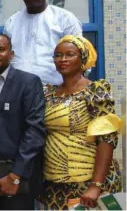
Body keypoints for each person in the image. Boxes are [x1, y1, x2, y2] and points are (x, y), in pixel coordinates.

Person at [38, 35, 122, 209]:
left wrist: (95, 185)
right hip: (55, 184)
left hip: (88, 183)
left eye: (70, 54)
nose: (63, 59)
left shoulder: (96, 91)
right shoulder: (47, 92)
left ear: (83, 59)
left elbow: (107, 139)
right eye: (58, 55)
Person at [0, 34, 46, 210]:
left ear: (11, 54)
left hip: (14, 173)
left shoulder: (28, 83)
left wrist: (16, 175)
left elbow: (35, 132)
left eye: (0, 49)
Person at [4, 0, 82, 85]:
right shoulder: (11, 23)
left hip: (57, 93)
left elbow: (80, 58)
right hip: (19, 93)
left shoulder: (65, 19)